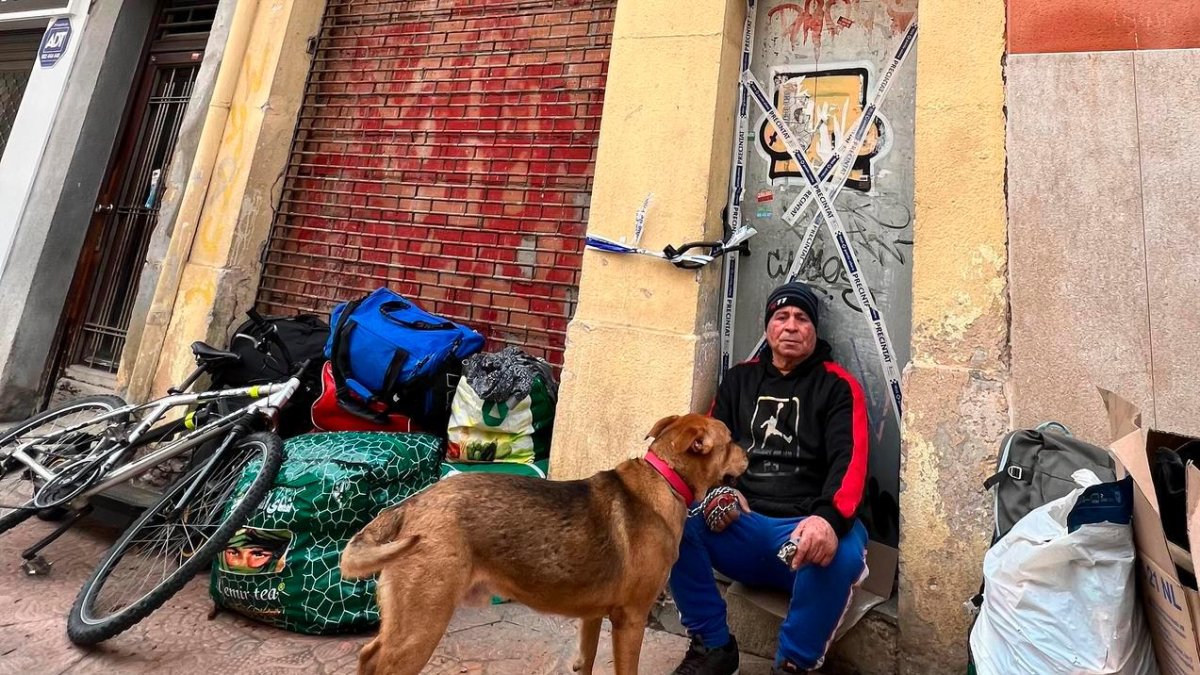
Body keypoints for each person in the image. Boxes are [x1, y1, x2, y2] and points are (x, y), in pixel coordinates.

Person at [670, 281, 871, 675]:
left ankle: (794, 663)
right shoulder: (738, 380)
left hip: (801, 530)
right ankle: (713, 646)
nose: (791, 326)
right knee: (671, 521)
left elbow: (851, 465)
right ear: (767, 327)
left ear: (814, 330)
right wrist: (717, 492)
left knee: (843, 553)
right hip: (741, 525)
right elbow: (706, 454)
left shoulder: (838, 386)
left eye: (801, 318)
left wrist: (827, 520)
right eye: (781, 317)